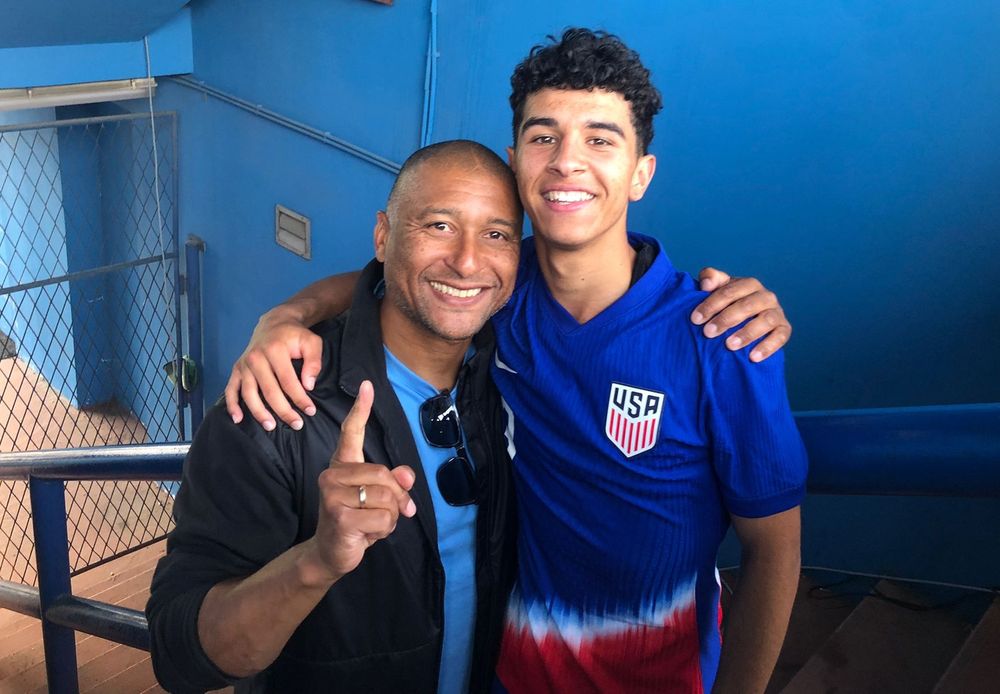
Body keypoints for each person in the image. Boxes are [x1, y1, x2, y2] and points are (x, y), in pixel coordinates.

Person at [224, 29, 806, 694]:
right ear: (516, 160)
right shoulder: (498, 285)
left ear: (641, 172)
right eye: (543, 136)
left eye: (600, 138)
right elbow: (394, 278)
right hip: (508, 674)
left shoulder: (722, 340)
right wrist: (285, 317)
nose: (567, 161)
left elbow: (775, 552)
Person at [146, 140, 522, 693]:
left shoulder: (517, 371)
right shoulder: (275, 407)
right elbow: (179, 656)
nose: (468, 260)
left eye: (496, 234)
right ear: (383, 236)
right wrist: (317, 561)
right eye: (439, 225)